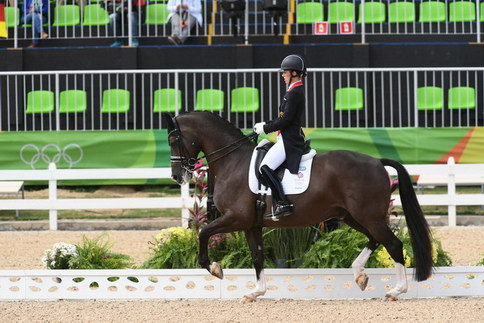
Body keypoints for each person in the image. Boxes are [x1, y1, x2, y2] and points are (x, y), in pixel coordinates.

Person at [253, 54, 307, 219]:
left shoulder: (295, 92)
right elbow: (282, 117)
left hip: (289, 139)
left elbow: (286, 121)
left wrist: (266, 128)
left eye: (285, 72)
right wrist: (266, 123)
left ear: (294, 73)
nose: (283, 75)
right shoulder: (292, 91)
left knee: (264, 167)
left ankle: (283, 203)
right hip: (285, 136)